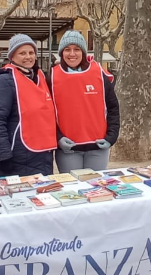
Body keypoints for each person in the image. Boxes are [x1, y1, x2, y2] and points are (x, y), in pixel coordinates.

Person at [0, 34, 57, 177]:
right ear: (12, 56)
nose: (28, 57)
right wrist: (3, 155)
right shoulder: (4, 81)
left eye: (31, 53)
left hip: (42, 155)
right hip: (16, 156)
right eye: (22, 53)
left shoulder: (40, 78)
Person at [49, 30, 120, 172]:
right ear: (62, 52)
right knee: (71, 190)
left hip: (97, 147)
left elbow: (113, 108)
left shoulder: (99, 73)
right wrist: (58, 138)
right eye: (67, 49)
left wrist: (111, 137)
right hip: (68, 149)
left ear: (83, 52)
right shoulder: (52, 76)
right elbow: (47, 113)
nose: (72, 54)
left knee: (95, 189)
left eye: (77, 49)